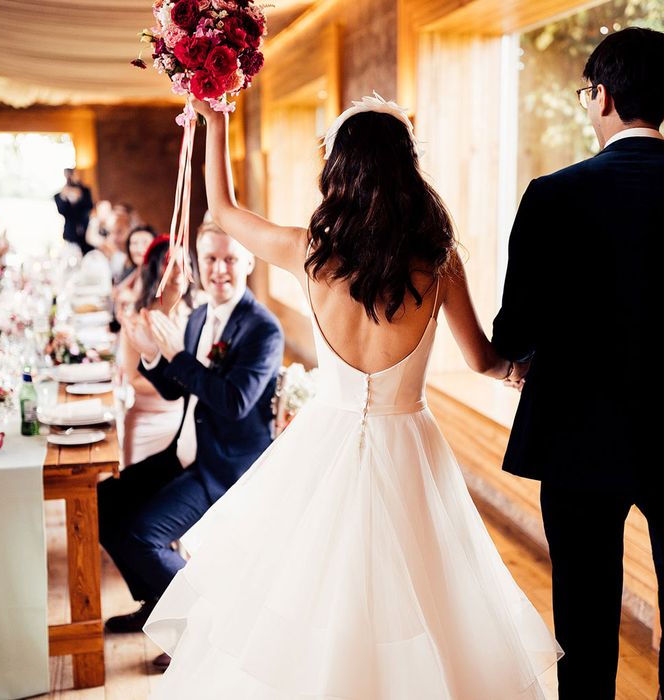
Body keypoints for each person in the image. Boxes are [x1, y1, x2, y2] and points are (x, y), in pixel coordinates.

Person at [137, 95, 562, 697]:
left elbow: (224, 211)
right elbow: (484, 360)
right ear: (408, 169)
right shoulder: (439, 262)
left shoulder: (309, 254)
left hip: (322, 449)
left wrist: (218, 121)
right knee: (431, 609)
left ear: (339, 170)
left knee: (311, 607)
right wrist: (522, 373)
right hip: (410, 447)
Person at [492, 27, 664, 700]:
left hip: (577, 438)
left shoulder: (554, 194)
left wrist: (529, 355)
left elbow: (513, 332)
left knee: (585, 630)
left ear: (604, 98)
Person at [97, 221, 284, 646]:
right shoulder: (200, 314)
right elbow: (177, 388)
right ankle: (157, 606)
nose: (220, 270)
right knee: (102, 505)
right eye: (211, 259)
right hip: (186, 451)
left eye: (230, 259)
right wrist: (150, 352)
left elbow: (234, 402)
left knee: (143, 535)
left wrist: (176, 354)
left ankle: (206, 628)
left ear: (249, 261)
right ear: (198, 264)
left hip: (226, 466)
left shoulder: (262, 328)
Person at [118, 234, 192, 468]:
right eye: (170, 263)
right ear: (155, 270)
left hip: (187, 423)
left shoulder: (196, 317)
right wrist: (184, 384)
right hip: (147, 422)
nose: (179, 271)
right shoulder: (137, 321)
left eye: (185, 263)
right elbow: (134, 379)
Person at [112, 224, 157, 309]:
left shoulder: (157, 275)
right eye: (134, 243)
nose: (139, 249)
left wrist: (132, 298)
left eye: (145, 243)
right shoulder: (136, 269)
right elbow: (116, 291)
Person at [54, 168, 93, 255]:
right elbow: (62, 211)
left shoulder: (85, 191)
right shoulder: (60, 194)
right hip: (70, 233)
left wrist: (80, 194)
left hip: (85, 233)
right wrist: (64, 196)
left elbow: (89, 207)